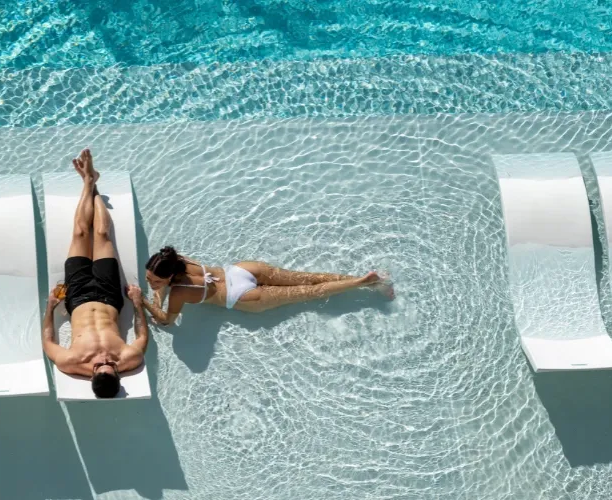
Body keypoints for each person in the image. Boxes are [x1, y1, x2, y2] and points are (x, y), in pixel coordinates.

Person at [42, 148, 150, 398]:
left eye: (100, 365)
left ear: (91, 374)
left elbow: (48, 340)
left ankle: (88, 182)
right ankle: (93, 185)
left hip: (77, 296)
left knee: (80, 233)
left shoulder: (70, 362)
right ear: (118, 373)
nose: (104, 359)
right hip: (109, 295)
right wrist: (137, 303)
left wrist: (50, 307)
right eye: (110, 365)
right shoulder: (130, 358)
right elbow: (142, 334)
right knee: (101, 234)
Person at [144, 247, 393, 325]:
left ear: (170, 276)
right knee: (307, 278)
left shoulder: (178, 292)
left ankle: (361, 283)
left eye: (154, 280)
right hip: (242, 269)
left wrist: (143, 300)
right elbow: (170, 281)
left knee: (311, 291)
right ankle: (370, 279)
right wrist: (159, 287)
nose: (150, 282)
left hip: (242, 296)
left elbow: (166, 320)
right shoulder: (178, 260)